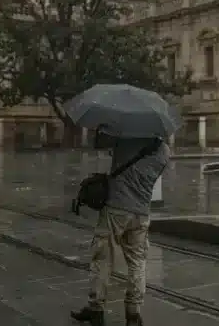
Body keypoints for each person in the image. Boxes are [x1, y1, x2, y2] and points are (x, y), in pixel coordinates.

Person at [71, 131, 171, 326]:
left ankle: (96, 308)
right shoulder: (164, 151)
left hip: (116, 209)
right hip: (141, 212)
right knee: (137, 262)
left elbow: (100, 143)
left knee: (103, 257)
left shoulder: (125, 139)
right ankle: (133, 314)